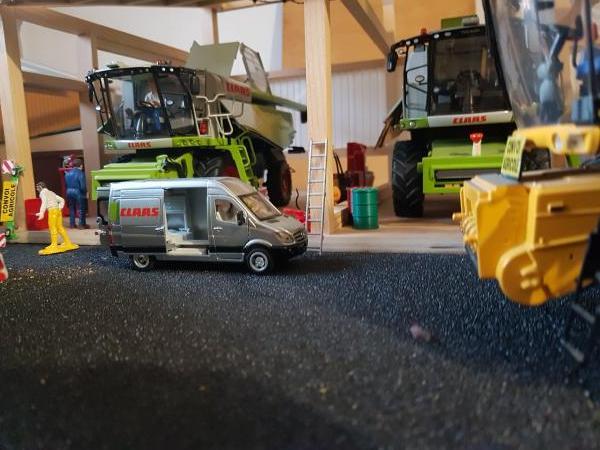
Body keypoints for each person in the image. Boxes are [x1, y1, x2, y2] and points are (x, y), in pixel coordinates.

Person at [36, 182, 78, 255]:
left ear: (40, 187)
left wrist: (41, 212)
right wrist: (59, 208)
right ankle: (68, 242)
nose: (37, 189)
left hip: (52, 211)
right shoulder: (51, 192)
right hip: (57, 211)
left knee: (52, 227)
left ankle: (54, 245)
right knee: (60, 227)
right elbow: (62, 200)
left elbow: (44, 202)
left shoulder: (42, 193)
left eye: (37, 188)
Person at [64, 159, 89, 229]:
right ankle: (81, 225)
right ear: (81, 165)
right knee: (81, 208)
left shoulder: (67, 174)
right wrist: (86, 192)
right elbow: (82, 186)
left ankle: (72, 224)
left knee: (72, 208)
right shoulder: (81, 173)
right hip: (78, 192)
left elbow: (66, 185)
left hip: (69, 191)